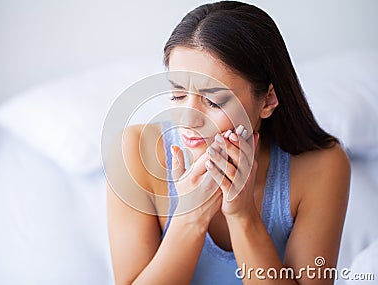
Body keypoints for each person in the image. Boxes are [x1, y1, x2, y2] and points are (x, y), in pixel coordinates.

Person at [106, 1, 351, 284]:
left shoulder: (322, 166)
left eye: (212, 101)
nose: (188, 119)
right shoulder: (135, 151)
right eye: (177, 95)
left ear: (268, 99)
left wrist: (242, 215)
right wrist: (190, 217)